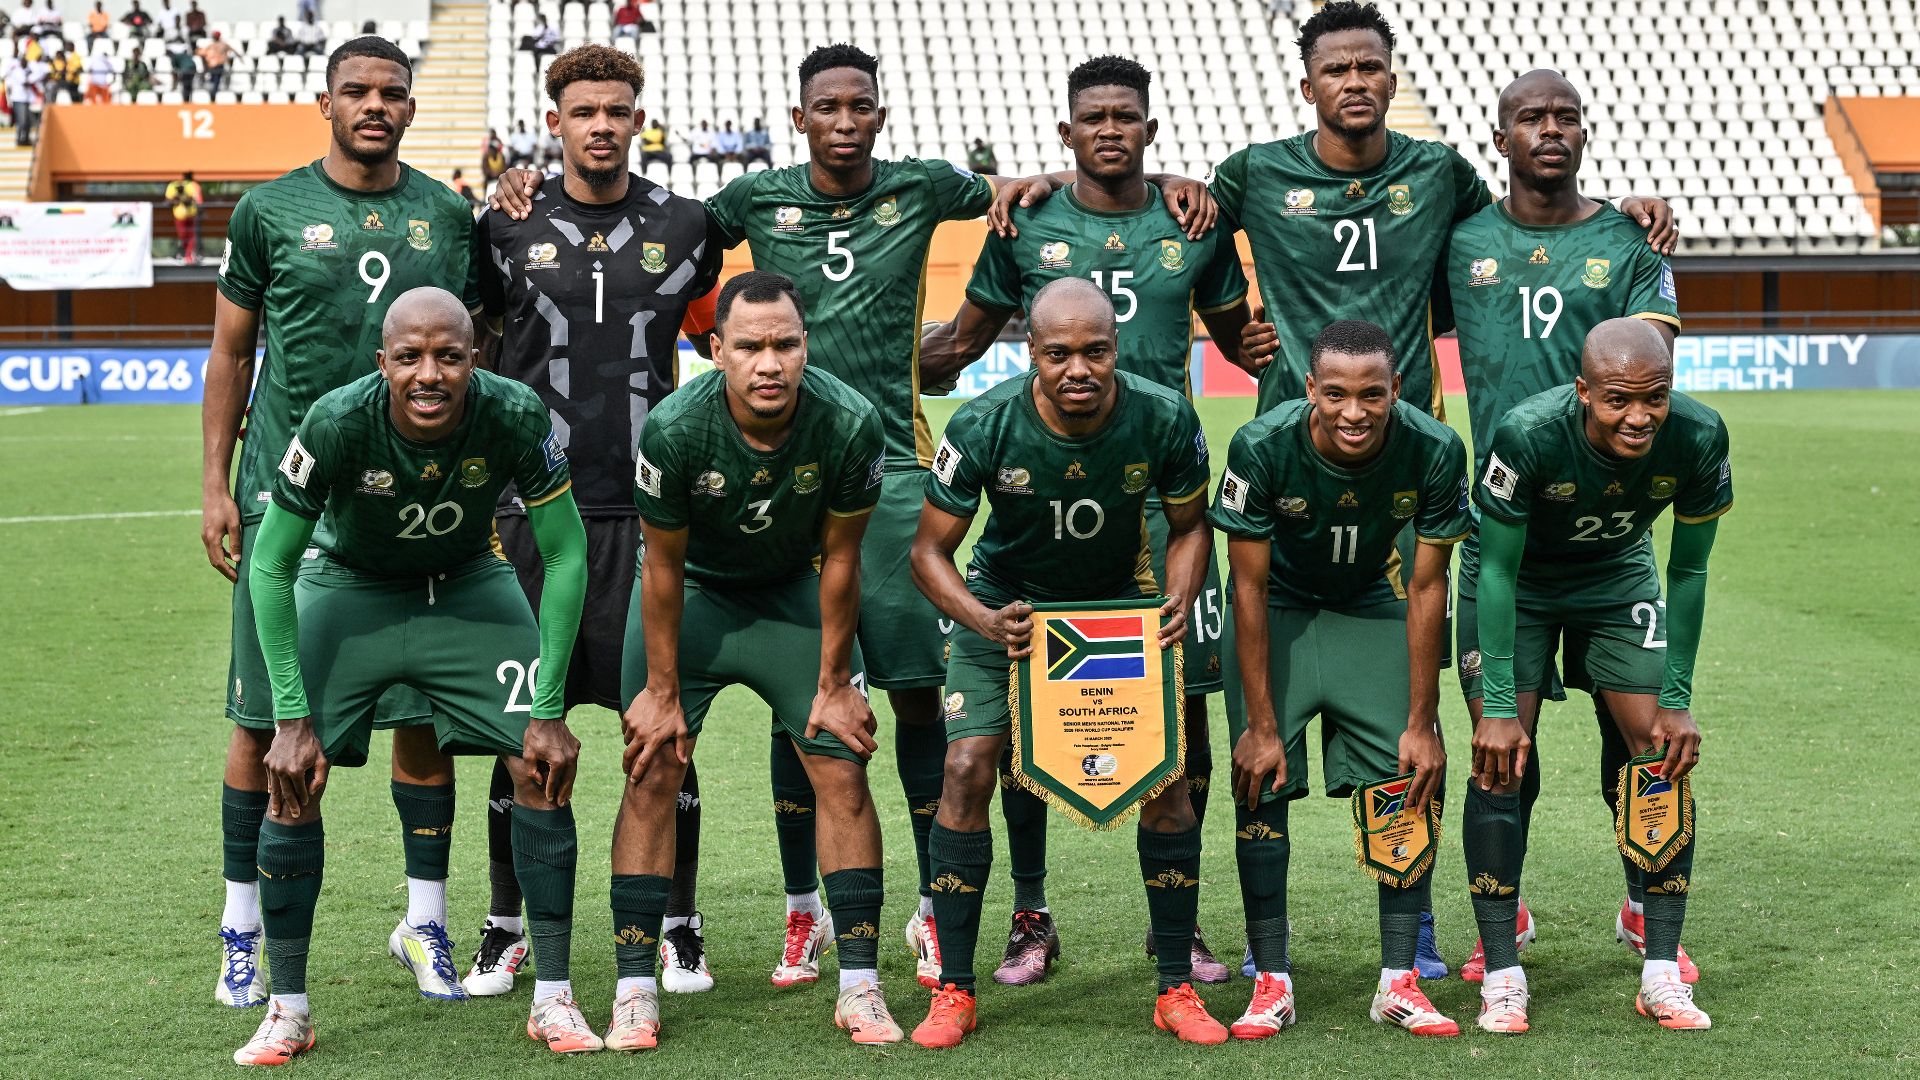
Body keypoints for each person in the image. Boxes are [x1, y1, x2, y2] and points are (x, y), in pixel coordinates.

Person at [919, 54, 1253, 987]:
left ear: (1151, 127)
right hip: (1041, 502)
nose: (1111, 130)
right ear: (1067, 133)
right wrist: (869, 362)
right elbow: (964, 341)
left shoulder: (1194, 220)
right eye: (1093, 119)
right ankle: (1030, 911)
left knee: (1183, 725)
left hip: (1161, 499)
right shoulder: (1026, 221)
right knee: (1018, 718)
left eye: (1126, 117)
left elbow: (1246, 339)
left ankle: (1177, 925)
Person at [232, 286, 590, 1066]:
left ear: (475, 359)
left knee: (540, 765)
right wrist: (290, 716)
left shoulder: (515, 413)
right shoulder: (335, 421)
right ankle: (288, 1009)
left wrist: (549, 706)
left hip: (467, 585)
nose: (430, 375)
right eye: (410, 358)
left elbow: (565, 554)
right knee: (292, 776)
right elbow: (271, 564)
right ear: (382, 363)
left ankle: (555, 998)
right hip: (349, 586)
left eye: (449, 356)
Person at [201, 34, 483, 1019]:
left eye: (391, 92)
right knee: (260, 723)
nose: (374, 105)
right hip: (288, 501)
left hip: (411, 504)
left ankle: (425, 920)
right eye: (355, 91)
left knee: (423, 719)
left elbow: (475, 348)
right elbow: (231, 353)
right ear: (325, 103)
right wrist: (214, 484)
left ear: (411, 107)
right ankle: (242, 928)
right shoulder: (268, 210)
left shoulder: (449, 214)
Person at [908, 277, 1224, 1047]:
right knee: (966, 767)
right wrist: (984, 619)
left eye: (1094, 352)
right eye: (1058, 354)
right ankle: (954, 990)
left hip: (1116, 613)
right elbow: (928, 553)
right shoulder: (983, 423)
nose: (1077, 369)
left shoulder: (1164, 416)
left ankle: (1175, 987)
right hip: (1008, 611)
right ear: (1030, 353)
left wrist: (1178, 597)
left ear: (1116, 349)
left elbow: (1190, 526)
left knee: (1167, 781)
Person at [473, 43, 722, 1003]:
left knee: (660, 730)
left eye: (618, 110)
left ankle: (678, 923)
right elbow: (472, 343)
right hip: (531, 513)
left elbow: (722, 326)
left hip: (650, 512)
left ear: (638, 118)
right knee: (519, 728)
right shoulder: (505, 224)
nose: (602, 126)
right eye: (585, 111)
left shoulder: (689, 225)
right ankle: (506, 925)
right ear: (556, 122)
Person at [617, 270, 904, 1049]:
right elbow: (662, 568)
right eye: (749, 347)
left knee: (841, 767)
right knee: (651, 768)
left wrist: (834, 683)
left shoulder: (850, 422)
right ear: (716, 350)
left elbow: (842, 558)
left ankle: (861, 986)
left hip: (791, 594)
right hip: (694, 596)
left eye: (784, 344)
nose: (769, 363)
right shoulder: (674, 429)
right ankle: (635, 990)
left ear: (807, 345)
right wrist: (661, 691)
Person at [1444, 68, 1687, 984]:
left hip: (1610, 540)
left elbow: (1653, 358)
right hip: (1505, 536)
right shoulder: (1462, 239)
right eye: (1531, 118)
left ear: (1585, 133)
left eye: (1566, 117)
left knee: (1637, 736)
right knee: (1506, 741)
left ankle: (1644, 904)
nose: (1550, 130)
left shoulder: (1628, 241)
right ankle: (1503, 911)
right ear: (1499, 137)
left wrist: (1640, 212)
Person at [1209, 319, 1470, 1040]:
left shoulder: (1436, 449)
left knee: (1409, 774)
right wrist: (1262, 726)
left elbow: (1427, 588)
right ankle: (1270, 980)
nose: (1353, 412)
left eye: (1371, 395)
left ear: (1397, 390)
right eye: (1335, 394)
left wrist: (1423, 721)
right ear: (1308, 390)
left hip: (1371, 606)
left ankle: (1398, 981)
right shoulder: (1261, 446)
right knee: (1259, 780)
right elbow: (1248, 587)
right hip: (1279, 610)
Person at [1226, 1, 1675, 419]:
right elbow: (1196, 232)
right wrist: (1233, 332)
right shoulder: (1257, 170)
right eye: (1336, 70)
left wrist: (1616, 208)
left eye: (1370, 67)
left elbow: (1518, 223)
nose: (1356, 81)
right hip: (1290, 418)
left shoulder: (1437, 169)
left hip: (1412, 422)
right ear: (1308, 89)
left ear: (1392, 84)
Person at [1467, 318, 1729, 1034]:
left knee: (1659, 752)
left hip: (1616, 577)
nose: (1639, 416)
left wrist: (1676, 698)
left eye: (1655, 398)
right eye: (1618, 400)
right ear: (1583, 391)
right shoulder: (1527, 435)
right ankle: (1501, 971)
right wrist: (1498, 706)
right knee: (1501, 760)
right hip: (1518, 584)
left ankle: (1660, 969)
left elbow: (1691, 569)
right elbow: (1496, 572)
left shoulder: (1700, 435)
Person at [165, 170, 200, 259]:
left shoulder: (191, 185)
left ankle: (189, 256)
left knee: (191, 236)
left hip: (191, 214)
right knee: (183, 235)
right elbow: (169, 200)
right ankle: (184, 254)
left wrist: (183, 197)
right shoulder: (172, 185)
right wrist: (177, 198)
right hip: (179, 216)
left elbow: (193, 199)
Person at [4, 52, 33, 145]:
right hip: (18, 99)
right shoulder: (17, 71)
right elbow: (25, 82)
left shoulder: (27, 70)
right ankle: (19, 139)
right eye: (23, 60)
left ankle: (25, 139)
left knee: (28, 121)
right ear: (20, 61)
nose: (25, 62)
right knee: (22, 120)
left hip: (26, 99)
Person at [197, 30, 231, 95]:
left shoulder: (221, 44)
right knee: (214, 78)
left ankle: (214, 92)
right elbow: (203, 52)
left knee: (216, 79)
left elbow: (231, 51)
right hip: (213, 65)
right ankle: (213, 92)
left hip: (218, 64)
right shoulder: (214, 45)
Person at [166, 33, 194, 97]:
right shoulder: (182, 55)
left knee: (186, 85)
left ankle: (186, 99)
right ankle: (188, 97)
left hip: (187, 69)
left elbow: (174, 71)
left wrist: (174, 84)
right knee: (188, 84)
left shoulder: (174, 58)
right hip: (192, 67)